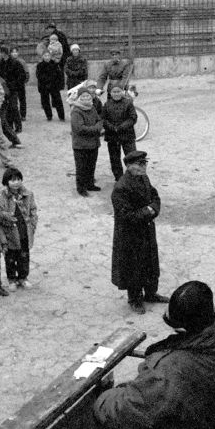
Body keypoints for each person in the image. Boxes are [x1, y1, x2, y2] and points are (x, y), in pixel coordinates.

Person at [93, 281, 215, 429]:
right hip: (202, 422)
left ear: (182, 328)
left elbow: (125, 411)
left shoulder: (167, 370)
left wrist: (102, 398)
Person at [109, 150, 167, 313]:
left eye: (145, 163)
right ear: (128, 166)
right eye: (139, 164)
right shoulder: (121, 187)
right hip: (130, 235)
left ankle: (150, 293)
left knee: (150, 263)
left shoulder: (143, 178)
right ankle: (135, 299)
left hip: (146, 230)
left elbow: (155, 196)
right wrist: (148, 212)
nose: (143, 167)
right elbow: (125, 215)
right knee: (133, 267)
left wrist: (153, 209)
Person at [0, 167, 39, 290]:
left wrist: (32, 225)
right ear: (6, 181)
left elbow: (33, 210)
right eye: (12, 180)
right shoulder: (0, 196)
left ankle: (23, 278)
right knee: (10, 258)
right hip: (9, 233)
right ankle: (12, 279)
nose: (16, 182)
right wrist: (6, 216)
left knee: (24, 257)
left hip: (24, 232)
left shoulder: (28, 194)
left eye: (18, 179)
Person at [70, 86, 103, 197]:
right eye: (83, 97)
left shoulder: (92, 108)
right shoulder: (76, 111)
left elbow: (99, 120)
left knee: (91, 165)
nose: (86, 99)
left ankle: (90, 184)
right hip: (81, 145)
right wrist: (96, 129)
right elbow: (80, 128)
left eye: (88, 97)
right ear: (79, 98)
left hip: (93, 144)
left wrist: (98, 126)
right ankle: (81, 188)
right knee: (81, 167)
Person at [102, 83, 138, 180]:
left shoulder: (128, 103)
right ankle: (119, 178)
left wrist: (121, 127)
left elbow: (133, 118)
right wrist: (112, 127)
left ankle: (134, 177)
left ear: (122, 92)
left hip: (127, 135)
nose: (116, 94)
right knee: (114, 159)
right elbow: (103, 119)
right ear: (110, 93)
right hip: (112, 136)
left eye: (118, 91)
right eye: (114, 92)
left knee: (132, 157)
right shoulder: (107, 104)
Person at [35, 49, 65, 121]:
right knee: (45, 102)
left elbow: (59, 75)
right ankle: (49, 116)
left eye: (48, 55)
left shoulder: (55, 64)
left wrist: (59, 84)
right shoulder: (39, 65)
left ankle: (61, 116)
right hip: (44, 86)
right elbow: (39, 76)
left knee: (58, 101)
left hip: (54, 86)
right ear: (42, 56)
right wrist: (45, 81)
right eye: (45, 55)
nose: (47, 57)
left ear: (50, 56)